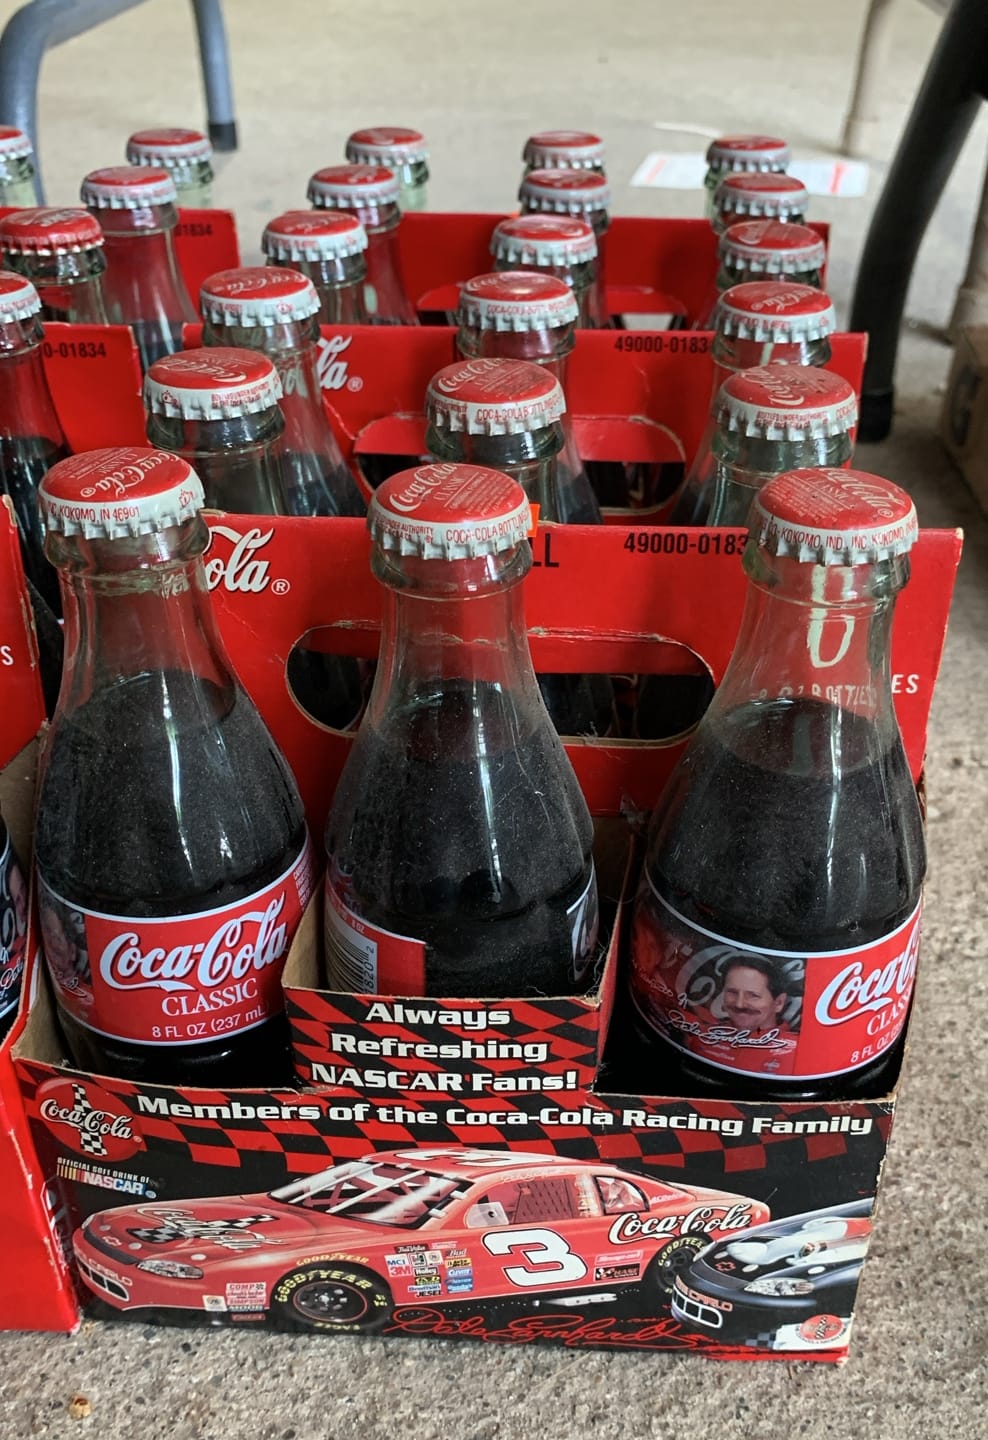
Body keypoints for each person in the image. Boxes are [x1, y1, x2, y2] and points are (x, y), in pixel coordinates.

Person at [720, 955, 796, 1034]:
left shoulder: (796, 1040)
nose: (739, 1005)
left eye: (753, 995)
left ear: (779, 1003)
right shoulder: (710, 1031)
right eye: (732, 992)